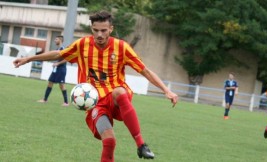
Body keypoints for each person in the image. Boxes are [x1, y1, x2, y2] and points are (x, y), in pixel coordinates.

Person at [13, 11, 178, 161]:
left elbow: (146, 71)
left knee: (119, 91)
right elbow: (58, 54)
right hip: (94, 103)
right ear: (91, 29)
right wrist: (28, 59)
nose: (99, 34)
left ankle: (141, 145)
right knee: (110, 141)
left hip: (115, 99)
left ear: (110, 29)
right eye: (95, 30)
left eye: (103, 30)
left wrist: (166, 90)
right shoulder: (82, 45)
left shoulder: (121, 47)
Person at [37, 35, 69, 106]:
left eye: (56, 39)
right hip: (56, 69)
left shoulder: (63, 49)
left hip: (61, 70)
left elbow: (67, 59)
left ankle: (66, 102)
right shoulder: (57, 49)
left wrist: (58, 63)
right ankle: (45, 99)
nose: (55, 40)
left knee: (62, 85)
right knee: (50, 82)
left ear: (60, 40)